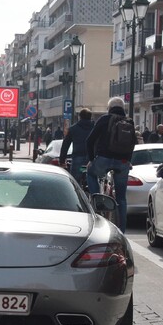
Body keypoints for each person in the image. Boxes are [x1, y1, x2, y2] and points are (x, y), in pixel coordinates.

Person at [85, 97, 135, 233]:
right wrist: (128, 160)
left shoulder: (104, 119)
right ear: (123, 108)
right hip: (122, 162)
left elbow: (90, 141)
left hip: (103, 158)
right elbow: (132, 144)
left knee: (90, 173)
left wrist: (91, 159)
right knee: (121, 198)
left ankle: (97, 200)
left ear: (109, 108)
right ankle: (122, 232)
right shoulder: (129, 121)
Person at [59, 108, 94, 184]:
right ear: (91, 117)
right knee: (92, 180)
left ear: (79, 117)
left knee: (75, 183)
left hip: (78, 158)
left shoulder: (73, 129)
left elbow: (65, 144)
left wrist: (62, 160)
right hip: (92, 159)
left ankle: (77, 194)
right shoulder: (95, 128)